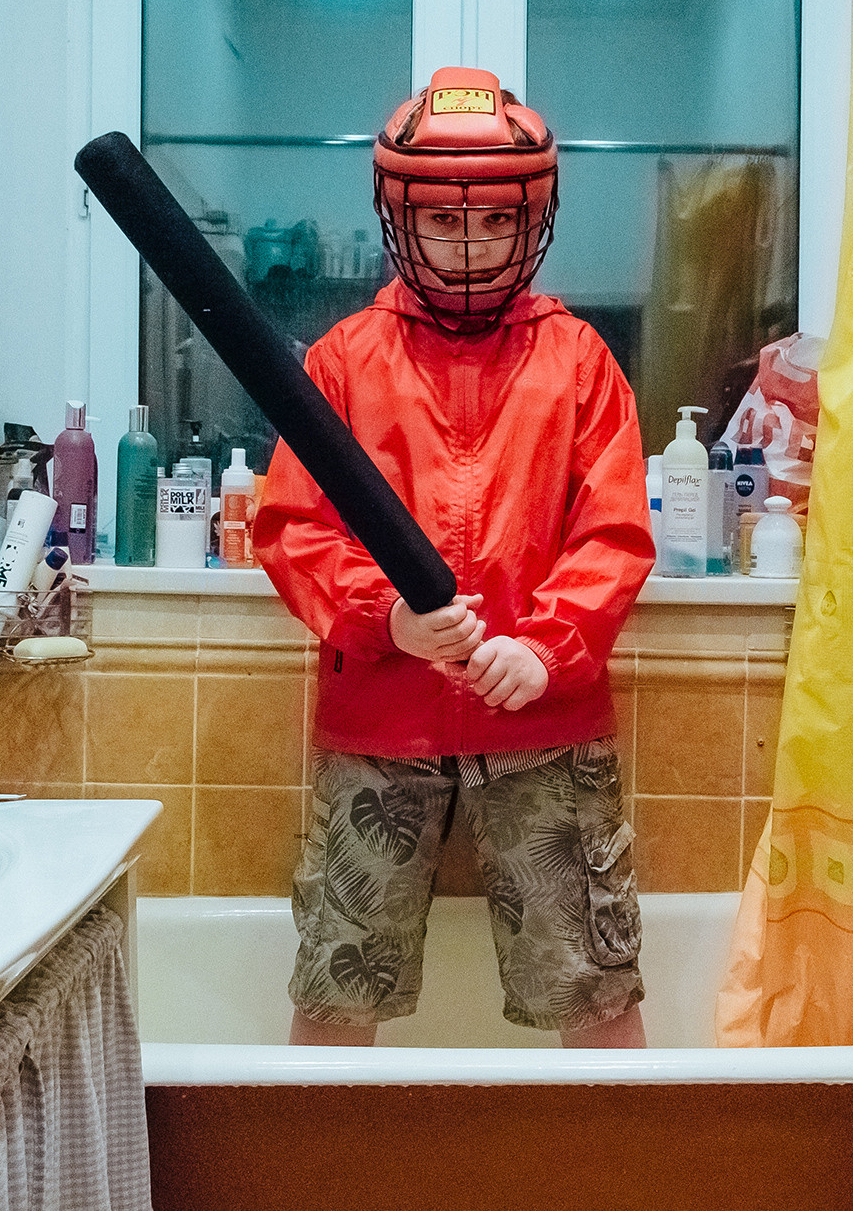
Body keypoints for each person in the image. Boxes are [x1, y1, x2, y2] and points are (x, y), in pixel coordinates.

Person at [252, 66, 655, 1048]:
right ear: (400, 218)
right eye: (441, 222)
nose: (467, 246)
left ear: (531, 222)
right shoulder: (341, 361)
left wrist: (548, 646)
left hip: (545, 722)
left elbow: (613, 531)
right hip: (378, 723)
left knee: (594, 991)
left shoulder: (579, 361)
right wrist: (381, 616)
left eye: (490, 225)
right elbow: (291, 528)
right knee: (334, 989)